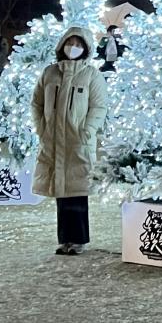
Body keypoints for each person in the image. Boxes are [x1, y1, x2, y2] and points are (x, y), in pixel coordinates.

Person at [31, 26, 108, 254]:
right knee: (61, 193)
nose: (72, 48)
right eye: (69, 43)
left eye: (77, 44)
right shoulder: (50, 72)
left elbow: (99, 106)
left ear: (84, 48)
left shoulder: (91, 75)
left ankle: (79, 239)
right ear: (62, 45)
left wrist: (88, 129)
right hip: (54, 140)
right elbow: (36, 102)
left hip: (78, 140)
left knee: (77, 191)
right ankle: (64, 239)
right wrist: (42, 126)